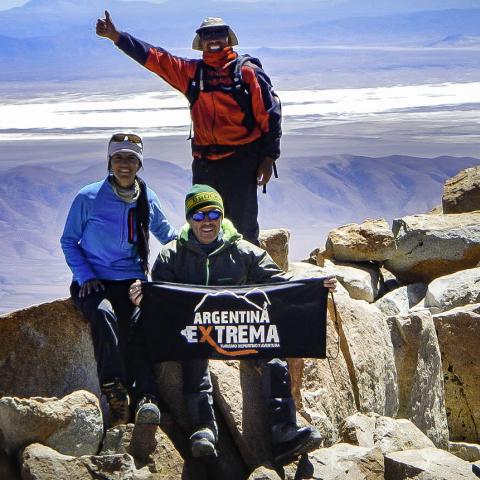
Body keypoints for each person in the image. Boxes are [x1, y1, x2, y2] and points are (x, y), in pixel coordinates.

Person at [129, 184, 336, 464]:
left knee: (273, 358)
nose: (207, 222)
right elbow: (162, 299)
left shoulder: (243, 251)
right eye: (199, 216)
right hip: (198, 331)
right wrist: (144, 297)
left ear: (221, 216)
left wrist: (314, 287)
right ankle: (204, 429)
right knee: (194, 353)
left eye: (213, 214)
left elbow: (280, 284)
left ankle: (284, 433)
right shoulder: (172, 255)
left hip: (240, 330)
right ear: (189, 219)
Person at [96, 12, 281, 244]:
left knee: (241, 224)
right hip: (204, 163)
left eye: (218, 33)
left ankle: (247, 275)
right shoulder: (193, 73)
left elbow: (270, 115)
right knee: (202, 220)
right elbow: (156, 59)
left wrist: (268, 157)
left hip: (241, 161)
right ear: (200, 41)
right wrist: (116, 37)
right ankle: (205, 275)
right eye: (207, 34)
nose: (213, 39)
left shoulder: (246, 73)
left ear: (228, 38)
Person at [60, 132, 177, 427]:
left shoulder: (147, 198)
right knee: (104, 315)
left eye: (131, 158)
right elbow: (69, 241)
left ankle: (147, 398)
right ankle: (116, 393)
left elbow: (167, 235)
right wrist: (85, 276)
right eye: (118, 158)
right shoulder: (88, 196)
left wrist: (201, 244)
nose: (124, 164)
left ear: (139, 164)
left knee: (140, 325)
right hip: (94, 281)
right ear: (109, 162)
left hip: (132, 280)